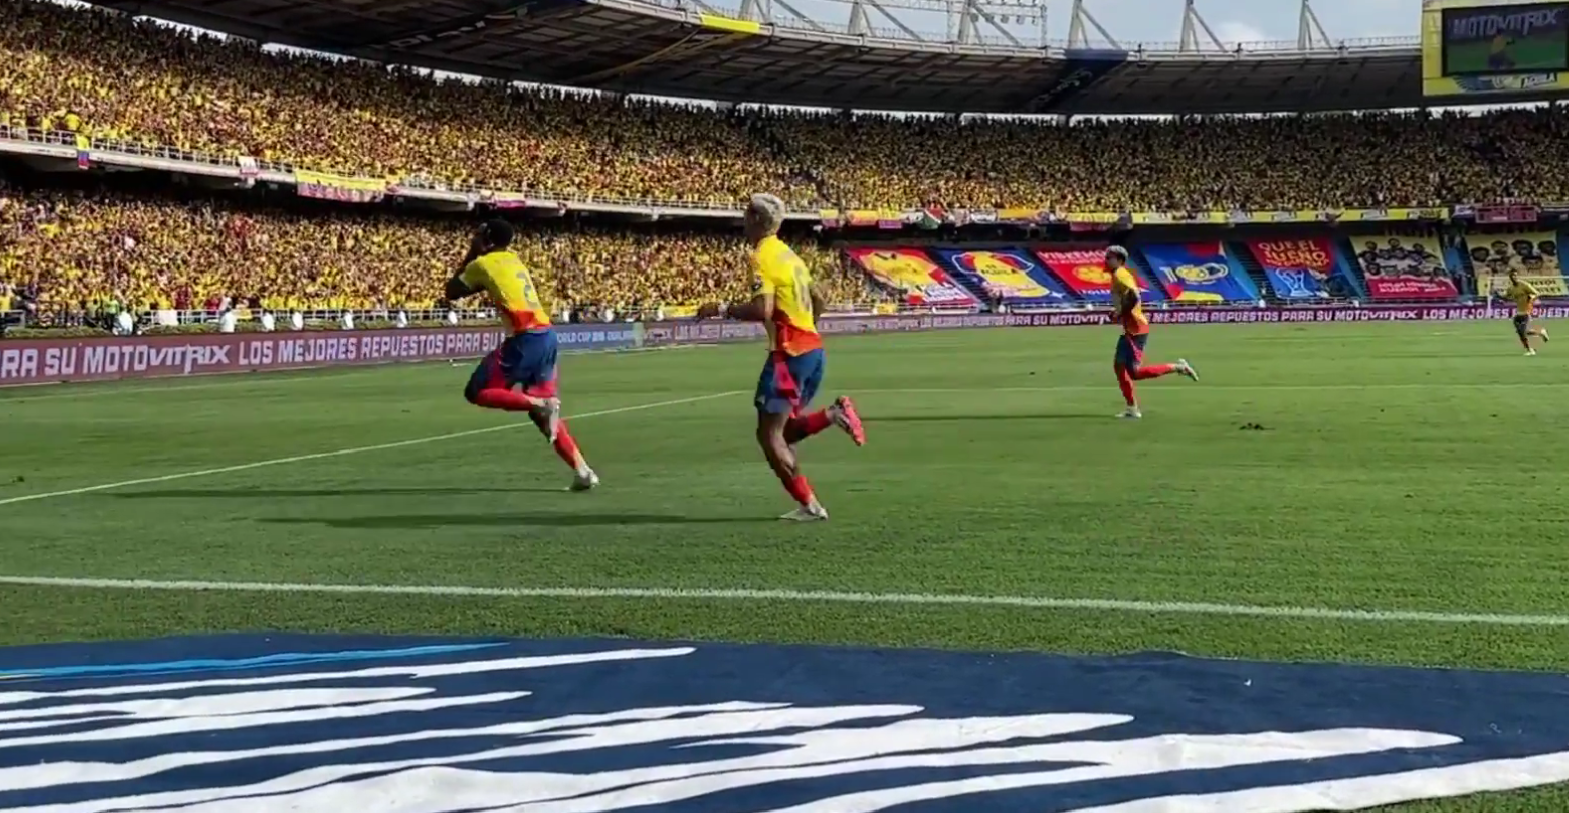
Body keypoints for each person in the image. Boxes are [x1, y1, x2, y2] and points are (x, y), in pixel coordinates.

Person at [703, 193, 865, 521]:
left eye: (747, 215)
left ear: (758, 221)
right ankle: (833, 415)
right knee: (786, 431)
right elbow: (819, 299)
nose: (743, 221)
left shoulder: (761, 256)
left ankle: (810, 506)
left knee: (768, 435)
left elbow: (761, 309)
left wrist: (720, 309)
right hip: (812, 352)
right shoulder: (791, 256)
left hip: (789, 355)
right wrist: (806, 328)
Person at [445, 220, 598, 491]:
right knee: (542, 415)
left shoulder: (483, 263)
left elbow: (451, 292)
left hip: (526, 337)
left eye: (478, 235)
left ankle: (541, 405)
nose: (474, 237)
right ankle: (582, 471)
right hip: (547, 336)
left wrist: (472, 252)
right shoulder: (513, 259)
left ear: (487, 239)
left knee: (477, 391)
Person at [1108, 245, 1198, 419]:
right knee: (1119, 366)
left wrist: (1120, 312)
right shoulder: (1118, 275)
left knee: (1134, 372)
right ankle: (1132, 408)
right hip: (1130, 328)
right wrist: (1118, 312)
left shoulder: (1120, 274)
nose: (1106, 260)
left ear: (1119, 260)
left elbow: (1134, 296)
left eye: (1109, 257)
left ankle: (1178, 367)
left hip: (1136, 329)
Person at [1504, 269, 1549, 356]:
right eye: (1512, 276)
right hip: (1519, 312)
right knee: (1521, 332)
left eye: (1516, 275)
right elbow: (1506, 296)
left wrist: (1531, 299)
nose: (1515, 277)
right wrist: (1499, 296)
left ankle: (1530, 350)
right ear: (1510, 277)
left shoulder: (1524, 285)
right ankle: (1540, 332)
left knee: (1522, 331)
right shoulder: (1511, 289)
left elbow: (1537, 293)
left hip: (1527, 310)